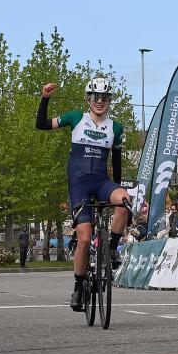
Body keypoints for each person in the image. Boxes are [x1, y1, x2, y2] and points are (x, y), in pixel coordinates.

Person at [35, 78, 131, 311]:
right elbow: (42, 125)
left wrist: (116, 189)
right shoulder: (75, 117)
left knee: (125, 201)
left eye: (104, 98)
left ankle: (113, 249)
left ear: (109, 101)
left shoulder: (115, 128)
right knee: (85, 239)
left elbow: (116, 163)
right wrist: (45, 99)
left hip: (101, 182)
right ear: (88, 99)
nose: (100, 101)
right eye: (95, 97)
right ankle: (78, 287)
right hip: (78, 185)